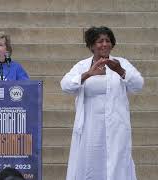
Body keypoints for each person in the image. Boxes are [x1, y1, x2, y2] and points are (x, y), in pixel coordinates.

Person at [60, 26, 144, 180]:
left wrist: (121, 71)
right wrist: (88, 74)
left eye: (108, 41)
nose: (104, 44)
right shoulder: (82, 66)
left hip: (116, 126)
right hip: (90, 127)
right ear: (91, 46)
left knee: (117, 164)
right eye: (100, 41)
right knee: (90, 164)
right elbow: (65, 85)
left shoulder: (121, 63)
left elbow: (138, 85)